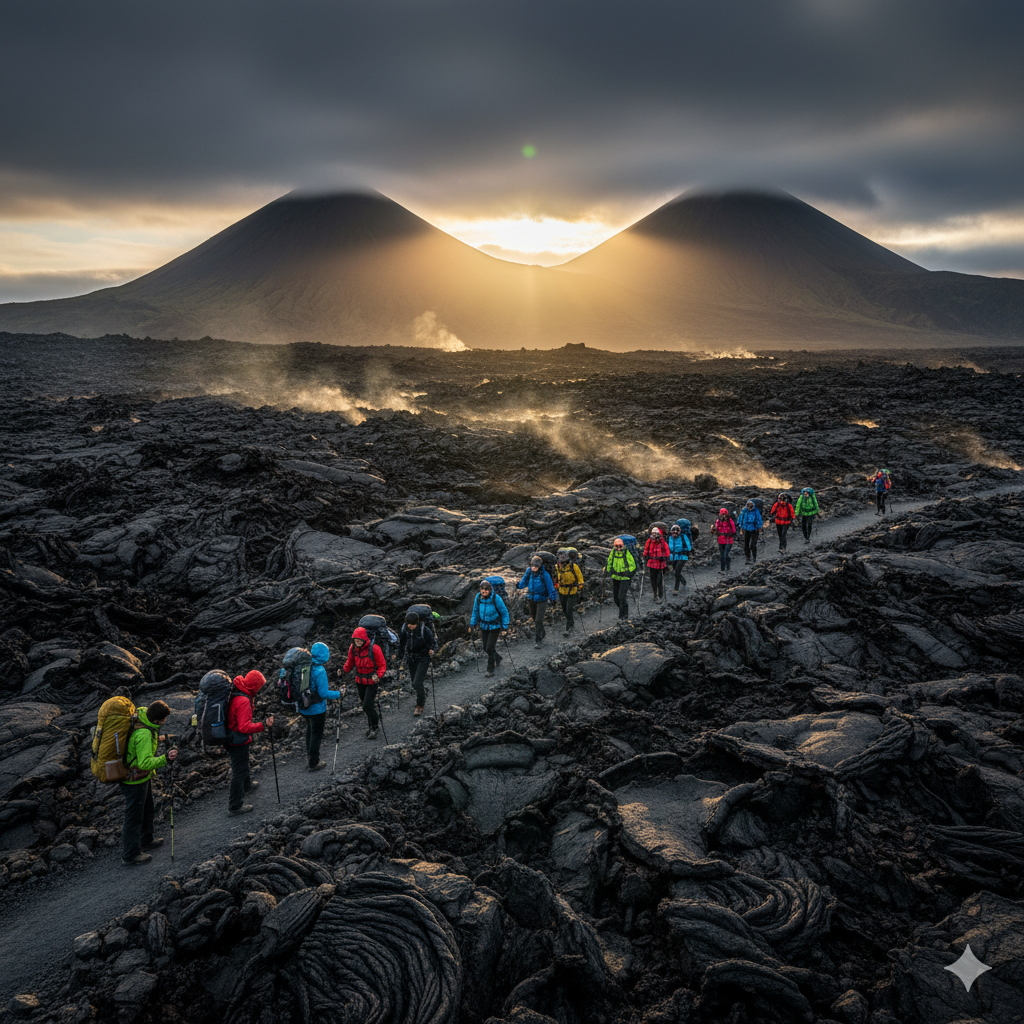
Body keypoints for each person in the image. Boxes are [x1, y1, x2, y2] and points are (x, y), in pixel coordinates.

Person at [120, 700, 177, 866]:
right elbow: (144, 762)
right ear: (159, 720)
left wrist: (160, 739)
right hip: (134, 779)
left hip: (142, 778)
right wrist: (165, 758)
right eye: (164, 719)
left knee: (147, 809)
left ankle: (146, 840)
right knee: (134, 816)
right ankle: (130, 855)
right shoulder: (143, 733)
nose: (165, 722)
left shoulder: (143, 717)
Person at [225, 670, 273, 816]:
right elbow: (244, 727)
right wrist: (263, 725)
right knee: (238, 771)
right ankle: (235, 805)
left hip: (231, 737)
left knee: (243, 763)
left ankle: (247, 786)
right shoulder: (244, 700)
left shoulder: (238, 691)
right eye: (259, 686)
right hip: (237, 740)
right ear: (255, 686)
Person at [301, 641, 342, 766]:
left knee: (309, 730)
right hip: (317, 709)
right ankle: (314, 762)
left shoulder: (304, 666)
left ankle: (309, 755)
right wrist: (339, 694)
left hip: (304, 706)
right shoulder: (320, 670)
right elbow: (323, 693)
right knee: (316, 734)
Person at [341, 629, 385, 740]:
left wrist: (378, 675)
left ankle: (374, 726)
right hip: (359, 681)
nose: (358, 642)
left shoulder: (374, 648)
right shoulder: (353, 649)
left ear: (364, 639)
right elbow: (349, 663)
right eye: (356, 640)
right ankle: (371, 726)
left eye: (360, 640)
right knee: (366, 706)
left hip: (372, 681)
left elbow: (382, 665)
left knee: (367, 705)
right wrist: (342, 671)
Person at [469, 579, 509, 677]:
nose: (484, 591)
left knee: (490, 647)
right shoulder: (478, 597)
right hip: (483, 626)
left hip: (495, 626)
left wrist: (504, 628)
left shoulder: (496, 598)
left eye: (486, 589)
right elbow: (475, 611)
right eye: (482, 589)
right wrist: (472, 625)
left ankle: (490, 670)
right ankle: (498, 658)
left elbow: (504, 613)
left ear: (490, 590)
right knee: (485, 648)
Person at [398, 612, 437, 715]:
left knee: (417, 683)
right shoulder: (405, 630)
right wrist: (400, 655)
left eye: (413, 624)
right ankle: (423, 693)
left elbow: (433, 642)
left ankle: (420, 705)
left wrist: (432, 650)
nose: (410, 626)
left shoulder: (424, 630)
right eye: (408, 623)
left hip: (424, 657)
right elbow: (402, 643)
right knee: (414, 684)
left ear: (417, 622)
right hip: (412, 658)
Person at [517, 556, 557, 647]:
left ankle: (538, 641)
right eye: (533, 565)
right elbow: (524, 581)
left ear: (540, 566)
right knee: (535, 619)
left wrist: (553, 599)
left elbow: (550, 587)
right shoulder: (529, 571)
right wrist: (518, 586)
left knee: (539, 620)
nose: (534, 567)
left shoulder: (545, 574)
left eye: (536, 566)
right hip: (531, 598)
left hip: (542, 599)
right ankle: (542, 632)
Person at [554, 551, 584, 636]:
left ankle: (568, 628)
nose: (562, 561)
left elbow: (580, 578)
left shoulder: (574, 567)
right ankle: (571, 622)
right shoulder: (557, 567)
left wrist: (580, 587)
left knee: (569, 609)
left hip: (572, 591)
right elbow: (554, 578)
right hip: (562, 591)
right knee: (564, 609)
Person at [605, 538, 637, 620]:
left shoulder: (627, 553)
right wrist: (608, 571)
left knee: (621, 597)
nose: (618, 548)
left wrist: (628, 573)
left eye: (620, 546)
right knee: (616, 598)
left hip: (625, 578)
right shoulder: (613, 553)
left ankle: (623, 615)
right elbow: (609, 562)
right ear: (614, 546)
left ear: (623, 545)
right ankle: (622, 610)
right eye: (616, 546)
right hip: (615, 578)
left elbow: (633, 565)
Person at [643, 527, 670, 602]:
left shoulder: (663, 543)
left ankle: (660, 593)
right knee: (653, 580)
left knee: (659, 580)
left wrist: (665, 558)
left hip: (660, 564)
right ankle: (655, 594)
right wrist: (645, 556)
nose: (654, 535)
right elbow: (646, 550)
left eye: (656, 533)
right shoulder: (649, 541)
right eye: (653, 533)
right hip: (652, 563)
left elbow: (667, 552)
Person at [736, 500, 763, 564]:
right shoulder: (744, 511)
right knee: (746, 545)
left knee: (753, 545)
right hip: (746, 529)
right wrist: (740, 527)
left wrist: (759, 527)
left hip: (754, 529)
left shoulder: (756, 512)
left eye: (751, 505)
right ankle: (748, 559)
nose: (749, 506)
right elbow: (740, 519)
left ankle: (754, 558)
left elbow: (759, 520)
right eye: (748, 505)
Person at [667, 524, 690, 594]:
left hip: (682, 557)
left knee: (677, 571)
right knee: (676, 571)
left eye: (677, 532)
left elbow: (689, 547)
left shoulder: (683, 537)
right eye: (673, 532)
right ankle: (683, 581)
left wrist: (682, 550)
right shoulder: (669, 538)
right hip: (673, 557)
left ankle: (676, 589)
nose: (675, 533)